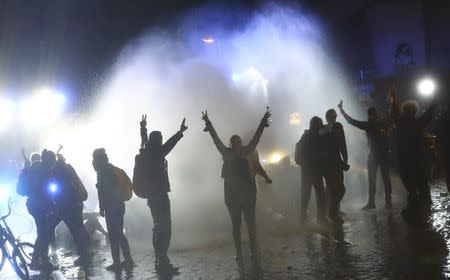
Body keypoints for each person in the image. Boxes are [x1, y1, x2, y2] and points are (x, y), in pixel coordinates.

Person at [202, 109, 271, 279]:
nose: (236, 143)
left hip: (247, 194)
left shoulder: (248, 151)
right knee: (236, 224)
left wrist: (262, 122)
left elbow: (256, 137)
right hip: (232, 195)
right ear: (231, 144)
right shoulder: (226, 153)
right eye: (233, 141)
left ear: (241, 143)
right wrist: (209, 125)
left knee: (251, 223)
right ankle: (239, 252)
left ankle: (253, 251)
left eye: (238, 141)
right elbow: (216, 140)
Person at [135, 114, 187, 275]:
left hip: (151, 197)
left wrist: (143, 127)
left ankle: (159, 259)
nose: (162, 141)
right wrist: (179, 132)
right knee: (166, 228)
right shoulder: (157, 153)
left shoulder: (146, 150)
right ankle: (163, 260)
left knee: (158, 227)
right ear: (158, 141)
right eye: (161, 138)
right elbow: (169, 145)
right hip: (160, 196)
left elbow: (145, 140)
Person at [338, 100, 393, 210]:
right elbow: (392, 117)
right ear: (376, 115)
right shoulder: (380, 123)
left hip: (374, 155)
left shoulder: (368, 125)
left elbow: (351, 121)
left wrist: (342, 111)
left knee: (373, 179)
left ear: (370, 115)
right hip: (383, 154)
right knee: (385, 177)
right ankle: (387, 201)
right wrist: (393, 102)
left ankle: (372, 203)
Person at [389, 90, 437, 204]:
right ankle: (426, 207)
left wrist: (394, 101)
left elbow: (395, 114)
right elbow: (429, 113)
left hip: (404, 159)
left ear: (404, 111)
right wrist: (434, 100)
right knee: (423, 185)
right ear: (415, 111)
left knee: (409, 185)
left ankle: (414, 203)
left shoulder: (400, 123)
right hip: (418, 159)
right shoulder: (418, 123)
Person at [93, 148, 134, 272]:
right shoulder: (111, 169)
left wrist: (102, 207)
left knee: (113, 235)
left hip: (112, 207)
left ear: (98, 160)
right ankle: (127, 260)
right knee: (119, 233)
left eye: (94, 159)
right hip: (119, 205)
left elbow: (102, 192)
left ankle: (118, 262)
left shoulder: (102, 172)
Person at [17, 149, 59, 271]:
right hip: (41, 205)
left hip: (32, 204)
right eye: (53, 160)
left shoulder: (30, 169)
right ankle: (42, 261)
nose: (54, 162)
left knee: (42, 232)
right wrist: (53, 204)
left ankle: (36, 259)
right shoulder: (44, 170)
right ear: (47, 160)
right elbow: (48, 190)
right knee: (45, 234)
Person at [49, 152, 91, 266]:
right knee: (80, 228)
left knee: (75, 230)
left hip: (67, 206)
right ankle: (86, 253)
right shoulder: (68, 168)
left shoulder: (56, 171)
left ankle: (84, 256)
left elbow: (57, 191)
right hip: (77, 202)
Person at [295, 116, 327, 224]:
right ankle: (320, 218)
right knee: (319, 194)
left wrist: (300, 162)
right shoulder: (316, 135)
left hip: (308, 170)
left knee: (307, 194)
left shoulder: (307, 135)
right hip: (313, 170)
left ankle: (304, 216)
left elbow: (297, 147)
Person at [321, 108, 348, 225]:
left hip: (336, 162)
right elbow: (340, 144)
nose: (333, 118)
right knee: (335, 188)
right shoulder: (326, 129)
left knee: (336, 187)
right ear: (327, 117)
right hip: (331, 163)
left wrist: (345, 160)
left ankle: (334, 210)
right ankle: (332, 211)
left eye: (334, 116)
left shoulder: (335, 127)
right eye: (332, 116)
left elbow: (342, 144)